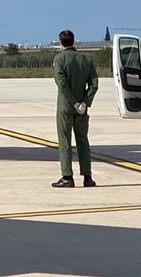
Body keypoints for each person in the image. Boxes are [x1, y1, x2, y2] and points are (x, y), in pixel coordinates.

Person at [51, 29, 98, 188]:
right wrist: (84, 102)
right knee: (82, 140)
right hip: (82, 108)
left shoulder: (59, 59)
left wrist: (73, 102)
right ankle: (87, 177)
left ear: (61, 43)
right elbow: (94, 84)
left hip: (66, 106)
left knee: (65, 141)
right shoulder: (86, 59)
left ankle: (67, 176)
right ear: (73, 41)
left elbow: (62, 84)